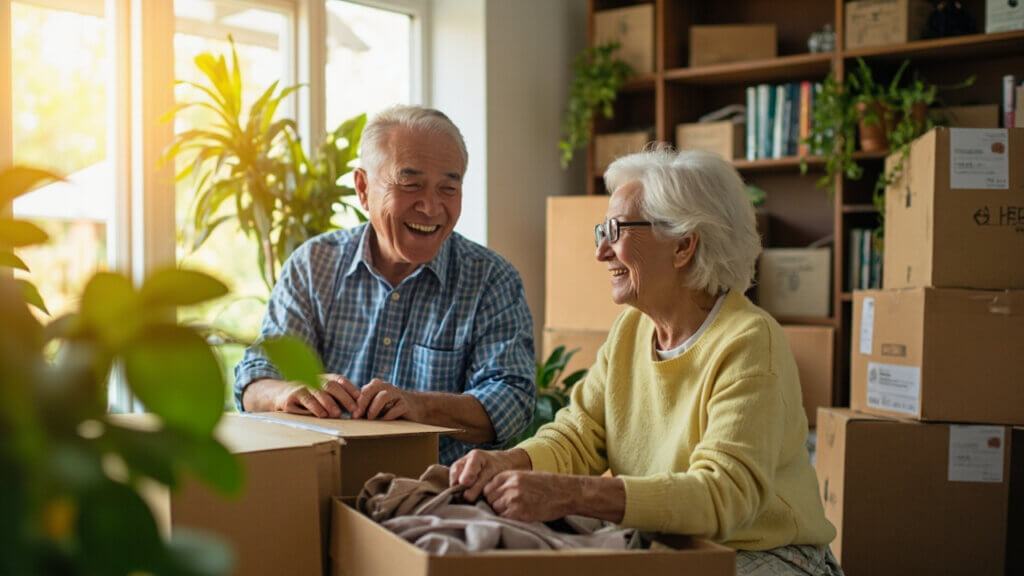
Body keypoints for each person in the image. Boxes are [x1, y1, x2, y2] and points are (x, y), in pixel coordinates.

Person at [450, 148, 843, 575]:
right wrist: (510, 462)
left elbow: (722, 496)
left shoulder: (749, 341)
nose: (602, 251)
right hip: (668, 544)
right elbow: (579, 436)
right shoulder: (629, 332)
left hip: (766, 554)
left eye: (616, 231)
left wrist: (573, 494)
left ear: (683, 245)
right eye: (601, 231)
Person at [234, 105, 536, 465]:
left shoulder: (491, 279)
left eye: (448, 188)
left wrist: (417, 406)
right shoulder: (314, 265)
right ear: (363, 188)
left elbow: (513, 400)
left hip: (436, 495)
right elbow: (254, 379)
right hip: (318, 482)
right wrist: (284, 393)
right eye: (411, 185)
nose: (430, 206)